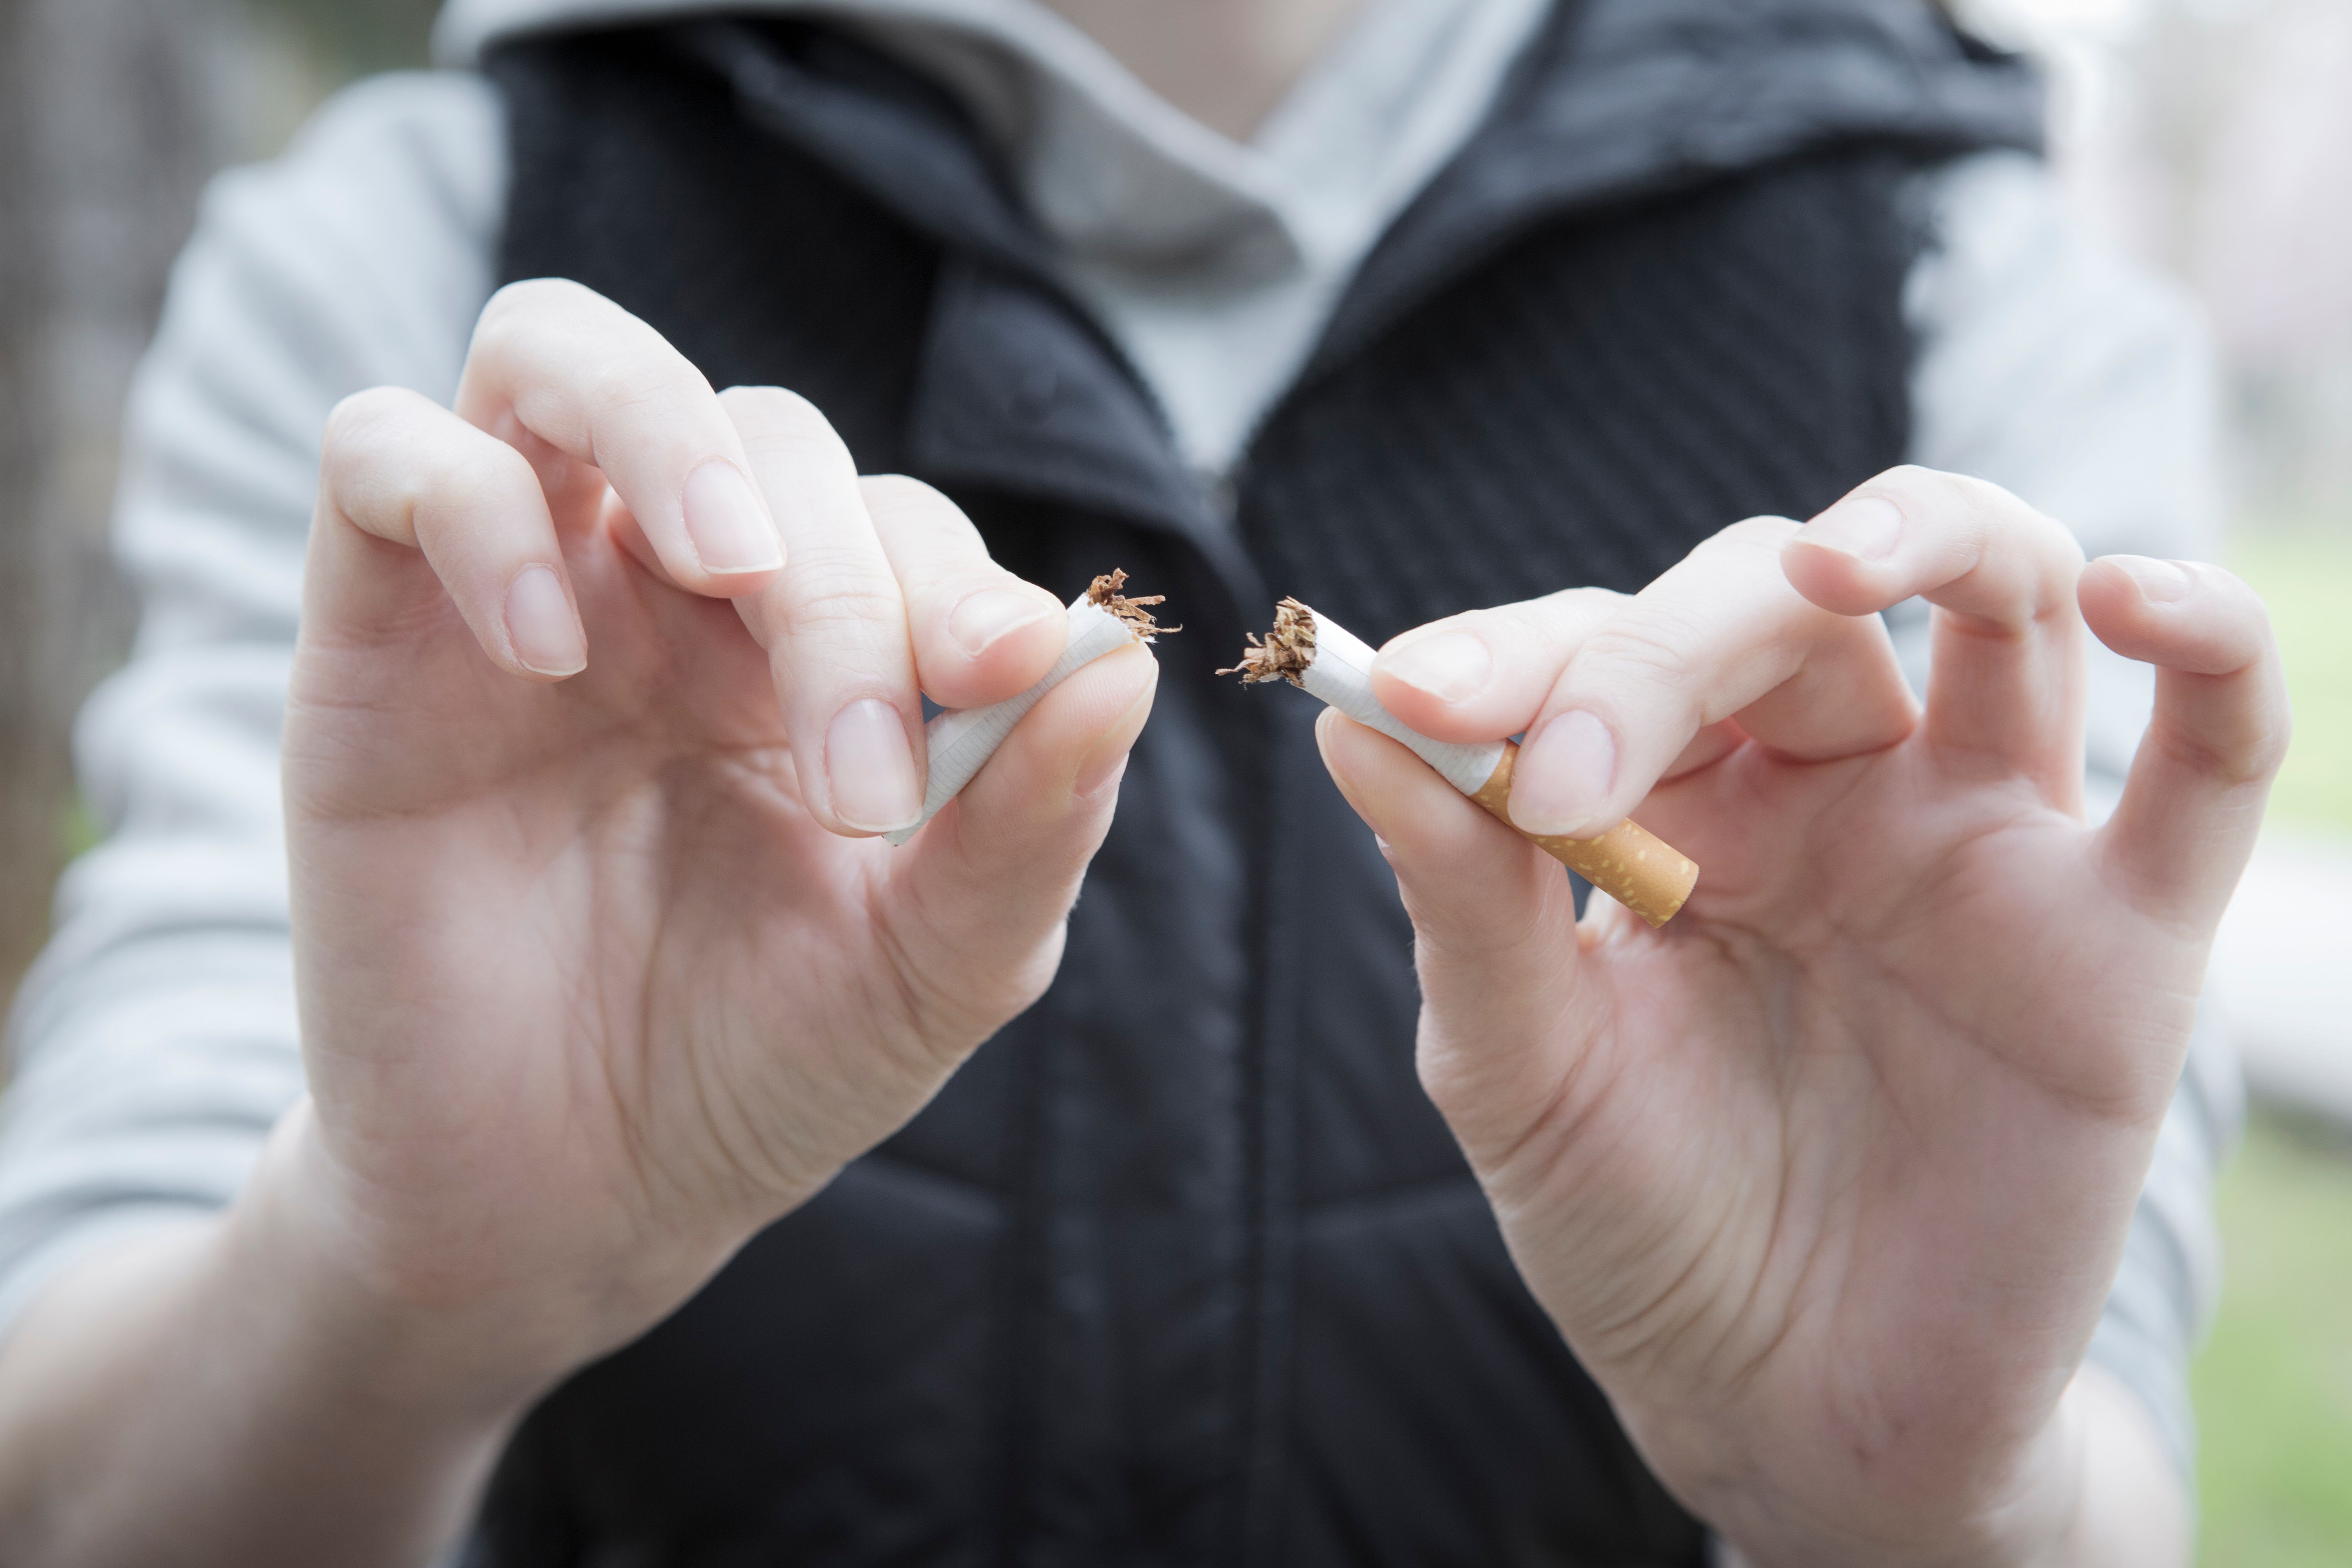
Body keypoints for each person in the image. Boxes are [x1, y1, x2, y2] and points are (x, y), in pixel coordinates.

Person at [0, 0, 2281, 1562]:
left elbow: (2097, 1464)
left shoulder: (1968, 294)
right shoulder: (429, 259)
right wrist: (405, 1289)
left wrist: (1931, 1508)